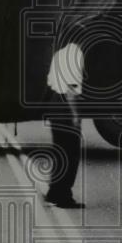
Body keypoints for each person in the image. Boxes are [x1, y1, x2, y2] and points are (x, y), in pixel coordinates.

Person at [44, 40, 85, 209]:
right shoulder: (75, 53)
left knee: (60, 151)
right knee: (70, 152)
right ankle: (63, 196)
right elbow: (71, 89)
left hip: (55, 102)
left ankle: (54, 192)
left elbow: (49, 81)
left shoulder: (58, 53)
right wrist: (76, 115)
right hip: (65, 106)